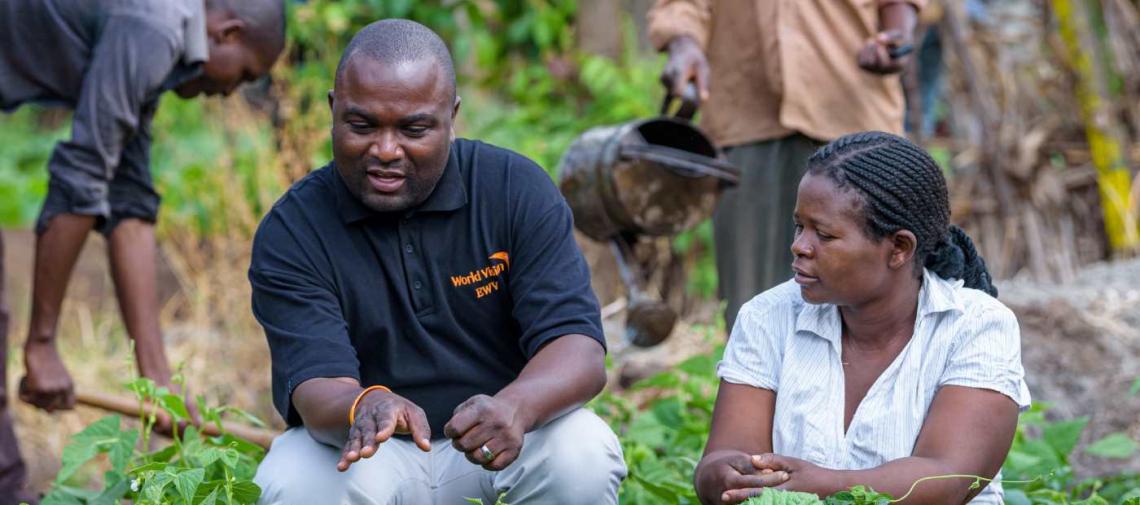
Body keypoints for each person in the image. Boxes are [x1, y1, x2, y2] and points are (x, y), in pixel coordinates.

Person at [248, 19, 626, 504]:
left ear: (452, 115)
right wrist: (366, 403)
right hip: (372, 454)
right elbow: (316, 387)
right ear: (332, 109)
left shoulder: (513, 189)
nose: (385, 150)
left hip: (503, 438)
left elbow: (578, 349)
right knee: (295, 480)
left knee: (582, 453)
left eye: (414, 128)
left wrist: (516, 405)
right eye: (361, 125)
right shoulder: (294, 228)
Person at [0, 1, 284, 501]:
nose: (229, 93)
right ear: (227, 32)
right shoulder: (155, 26)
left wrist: (158, 382)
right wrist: (42, 344)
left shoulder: (158, 41)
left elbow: (128, 201)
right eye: (243, 74)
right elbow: (81, 176)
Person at [693, 132, 1030, 505]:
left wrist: (821, 485)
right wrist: (724, 473)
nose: (800, 246)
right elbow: (724, 455)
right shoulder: (768, 316)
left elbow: (950, 478)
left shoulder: (976, 326)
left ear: (899, 248)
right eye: (799, 226)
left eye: (824, 234)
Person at [648, 0, 923, 329]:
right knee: (753, 307)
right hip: (746, 116)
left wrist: (895, 37)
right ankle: (760, 379)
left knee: (872, 304)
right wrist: (685, 44)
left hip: (851, 109)